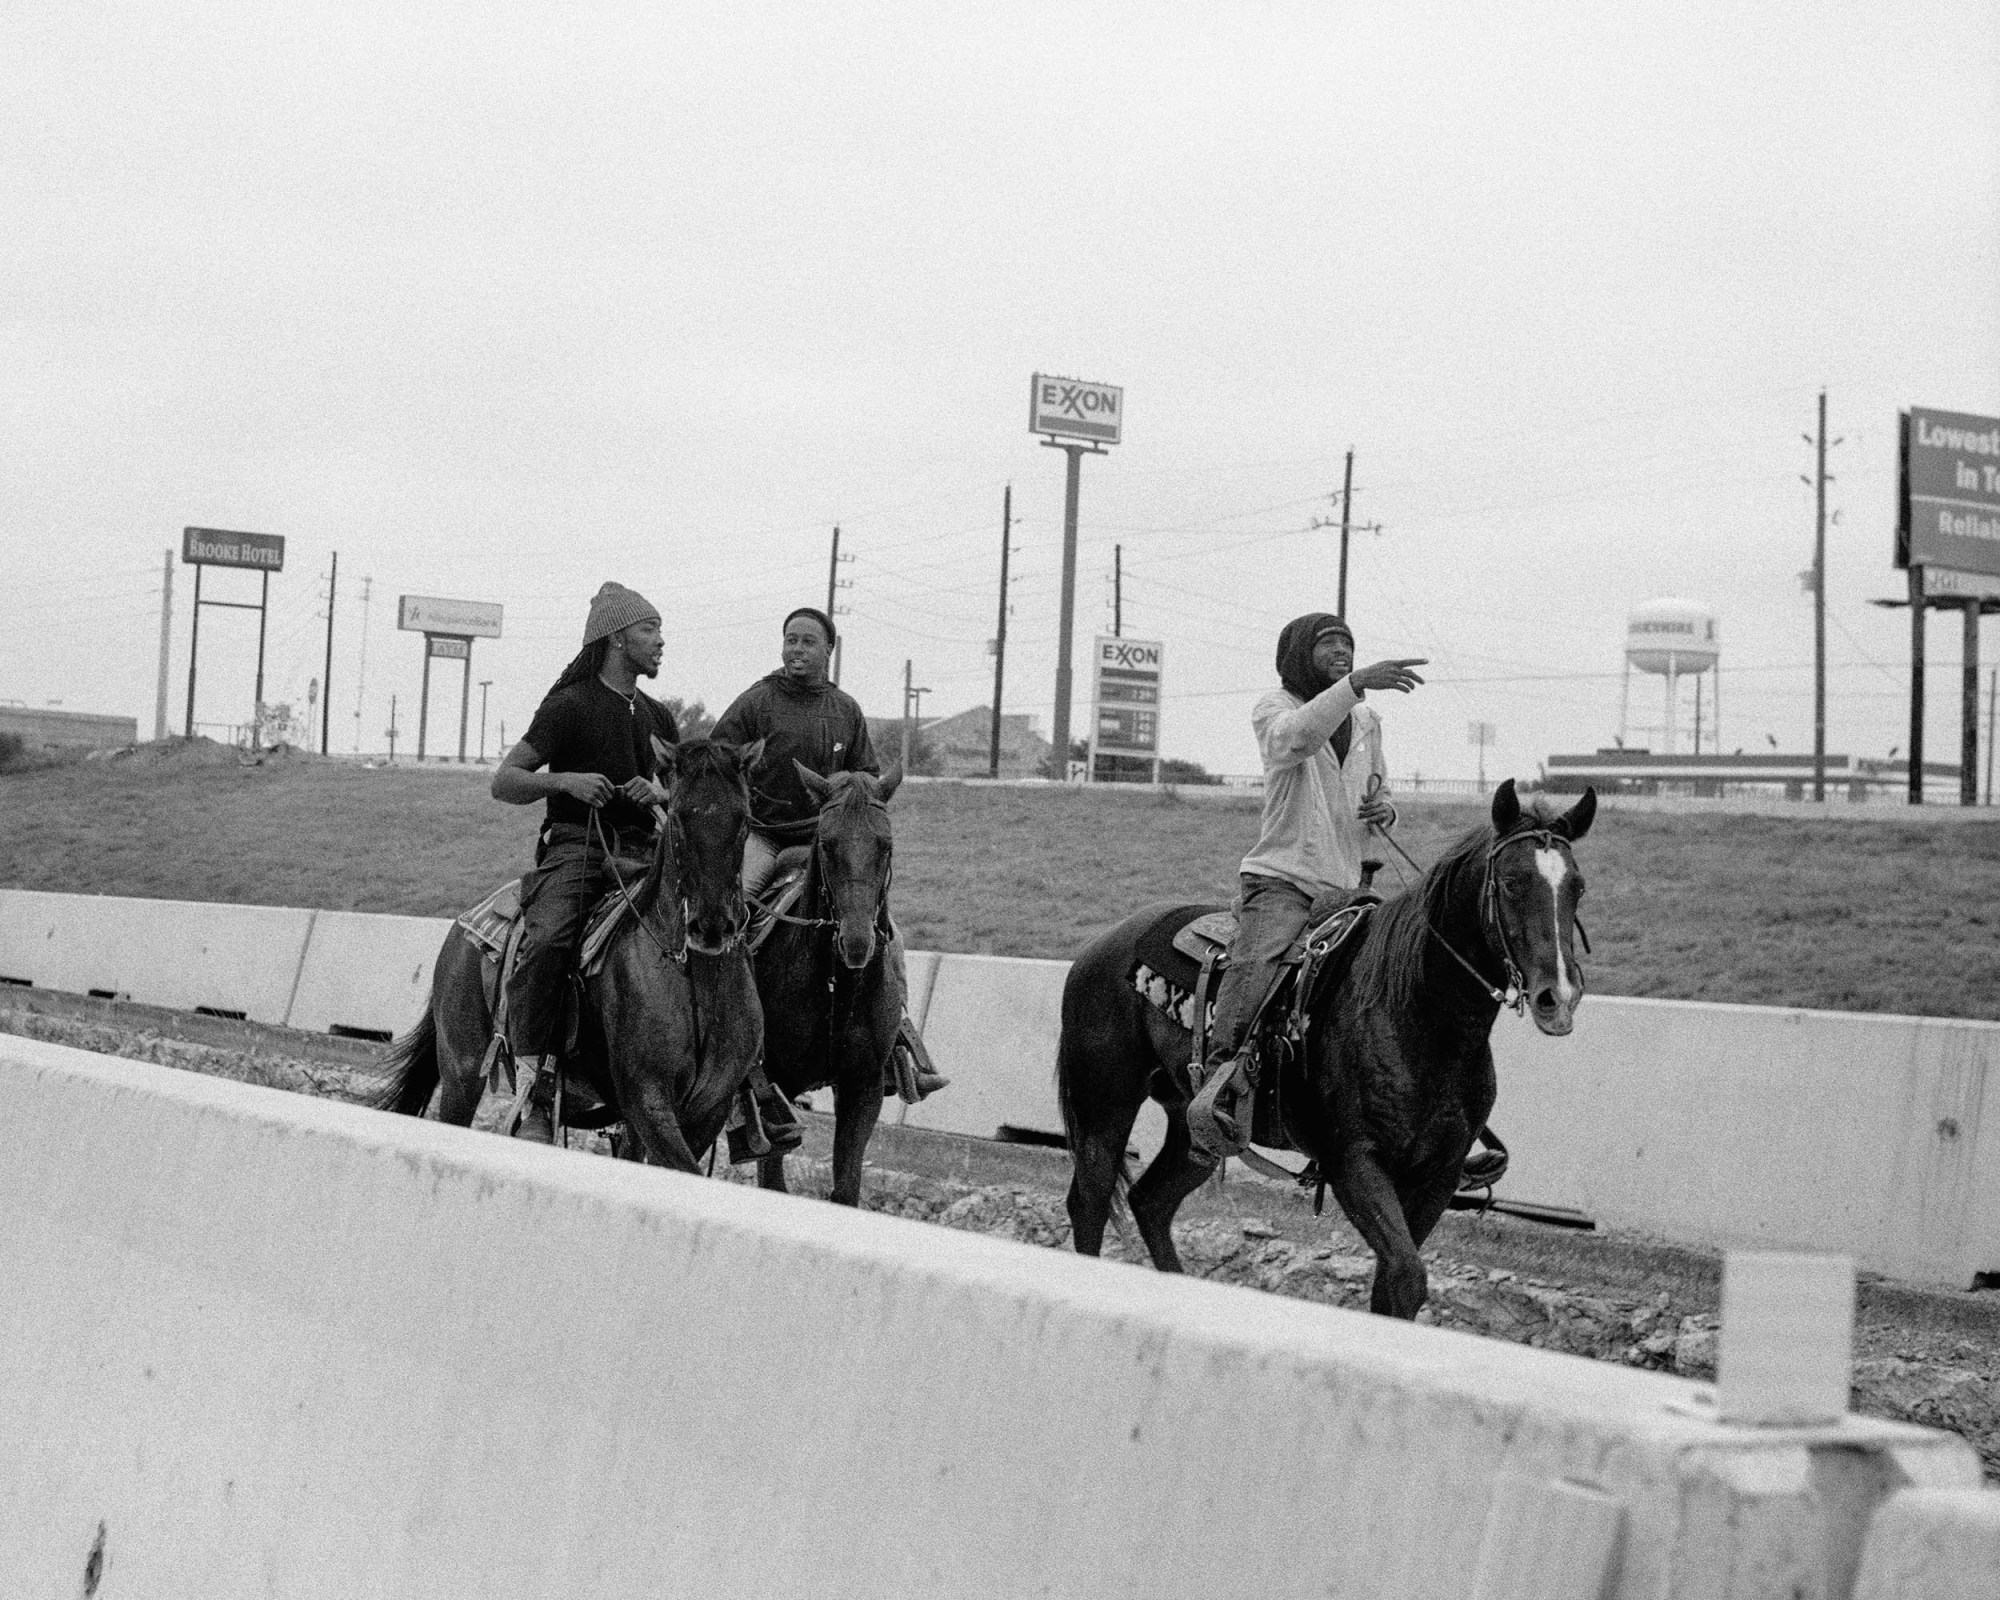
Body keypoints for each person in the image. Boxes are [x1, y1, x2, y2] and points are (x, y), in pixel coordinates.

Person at [1186, 612, 1425, 1159]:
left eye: (1346, 642)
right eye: (1328, 644)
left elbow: (1376, 790)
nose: (1341, 650)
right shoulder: (1277, 708)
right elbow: (1292, 742)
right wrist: (1355, 683)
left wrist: (1383, 810)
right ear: (1298, 654)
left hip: (1347, 886)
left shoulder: (1367, 721)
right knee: (1259, 960)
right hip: (1283, 879)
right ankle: (1219, 1087)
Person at [712, 606, 946, 1100]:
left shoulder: (846, 710)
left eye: (808, 642)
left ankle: (898, 1046)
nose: (797, 650)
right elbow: (716, 762)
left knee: (888, 933)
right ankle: (717, 1038)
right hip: (762, 837)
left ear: (828, 651)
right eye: (790, 640)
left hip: (823, 846)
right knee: (730, 918)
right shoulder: (756, 702)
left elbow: (866, 787)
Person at [492, 581, 679, 1143]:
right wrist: (566, 780)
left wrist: (661, 793)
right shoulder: (568, 706)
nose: (660, 642)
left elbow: (681, 788)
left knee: (723, 929)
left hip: (647, 854)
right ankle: (534, 1082)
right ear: (618, 638)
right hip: (581, 848)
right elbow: (505, 781)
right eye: (649, 630)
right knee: (549, 939)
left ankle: (742, 1087)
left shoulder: (659, 716)